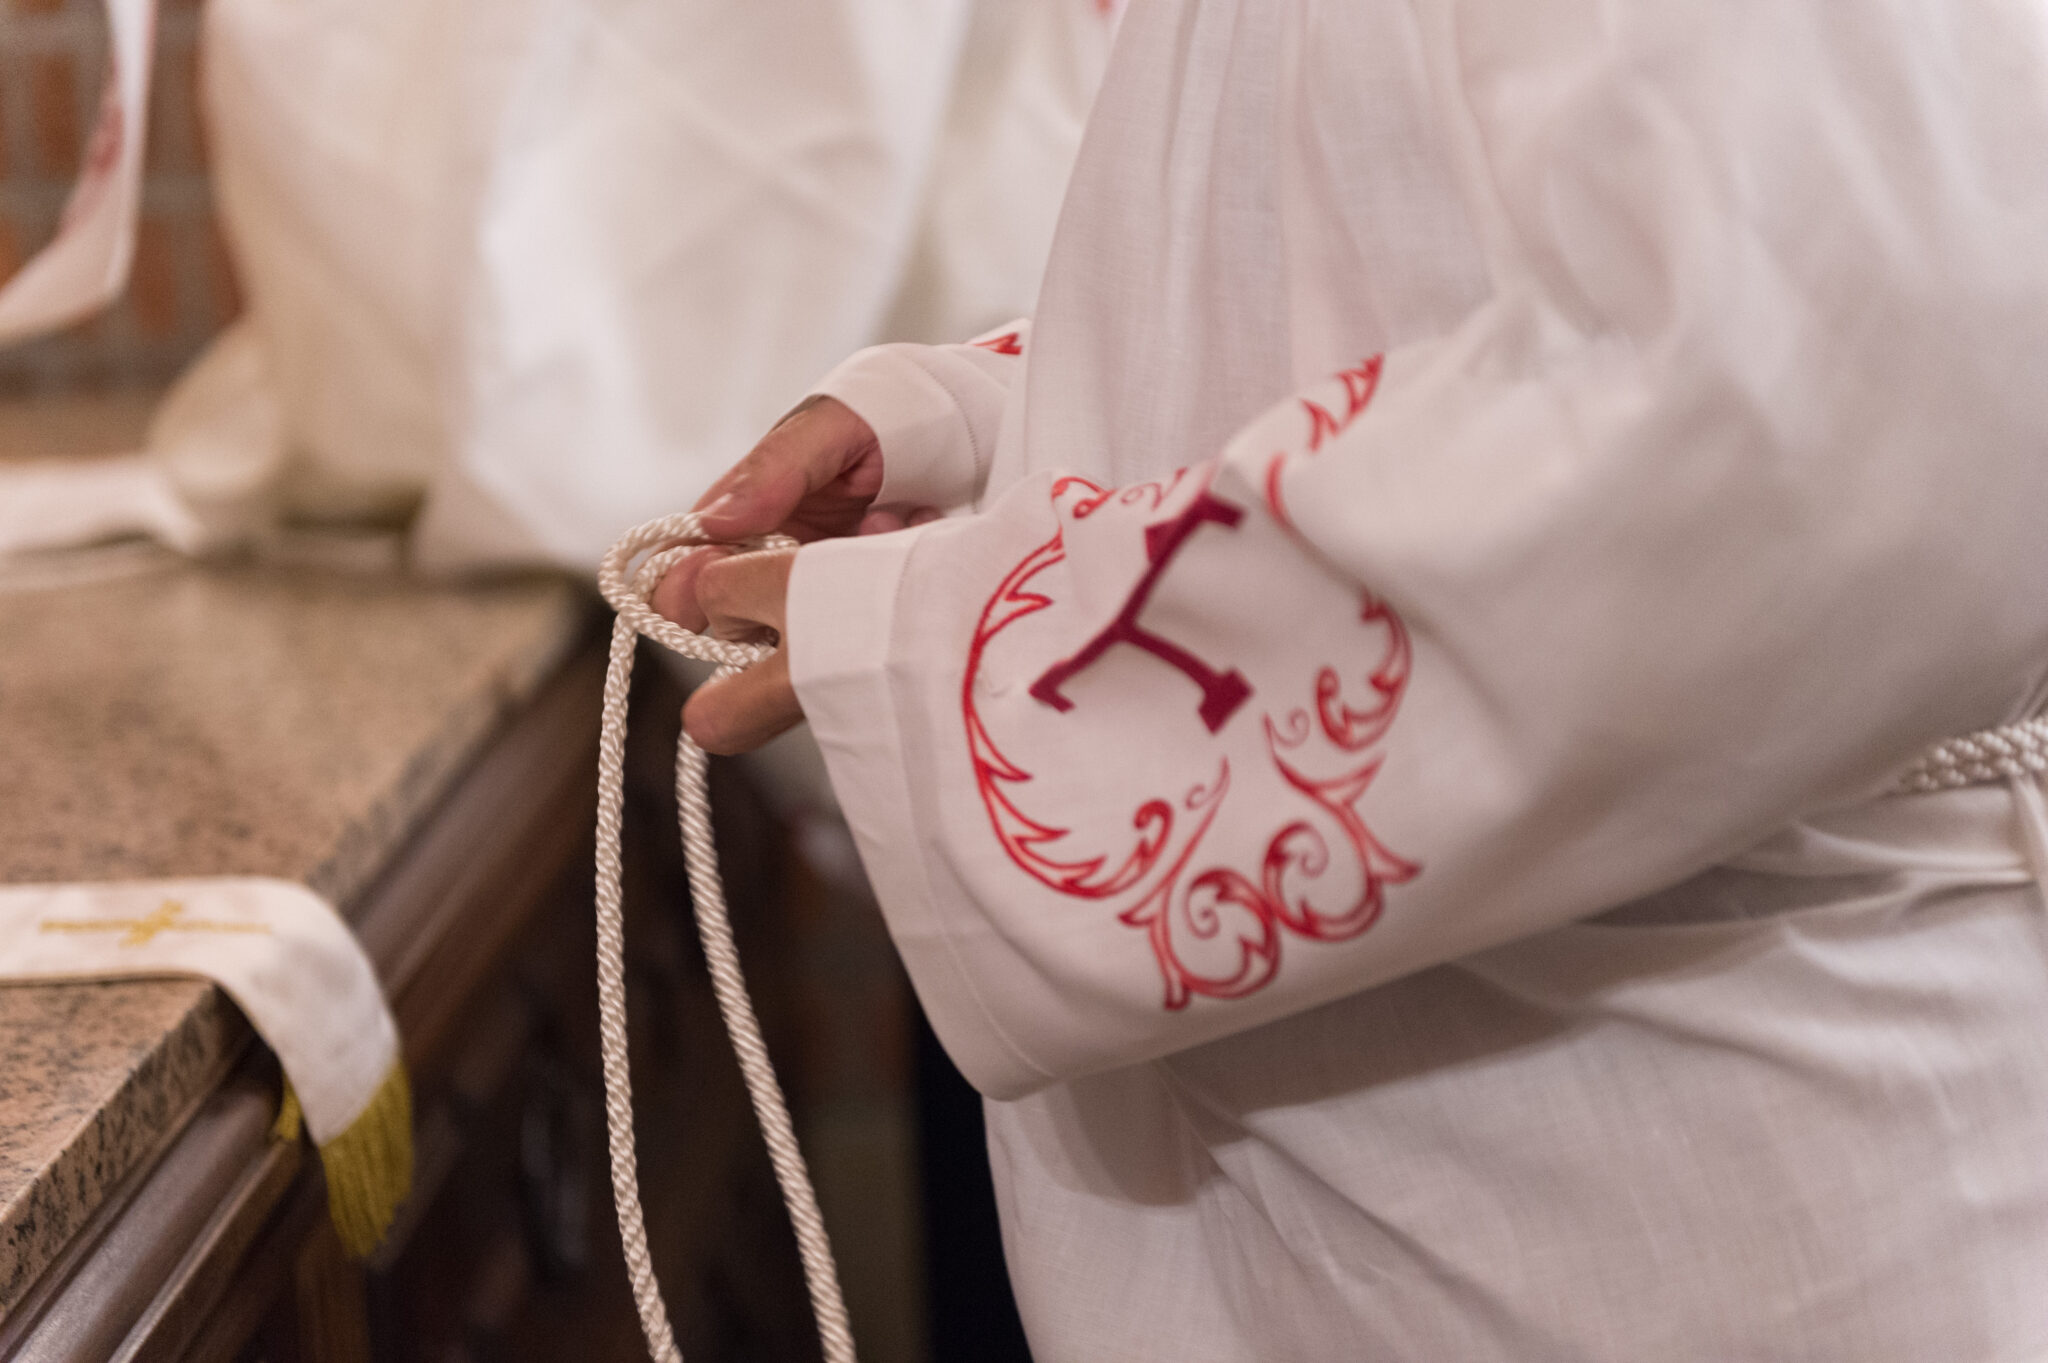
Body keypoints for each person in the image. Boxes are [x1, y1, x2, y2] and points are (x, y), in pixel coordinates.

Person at [654, 2, 2048, 1357]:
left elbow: (1806, 406)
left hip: (1673, 1186)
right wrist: (1008, 431)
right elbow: (1484, 272)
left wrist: (1003, 642)